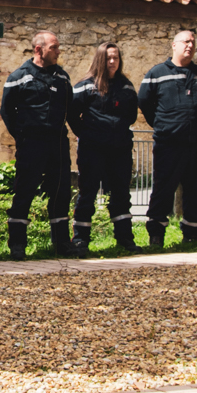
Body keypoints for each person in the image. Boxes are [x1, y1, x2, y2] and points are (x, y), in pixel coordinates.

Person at [1, 31, 76, 259]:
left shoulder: (62, 78)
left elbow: (70, 110)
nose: (58, 51)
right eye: (54, 47)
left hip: (57, 145)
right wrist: (22, 137)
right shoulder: (19, 76)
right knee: (24, 193)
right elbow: (6, 112)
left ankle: (62, 243)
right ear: (38, 49)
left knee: (61, 193)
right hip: (31, 145)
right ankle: (17, 245)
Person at [139, 28, 197, 249]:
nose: (189, 45)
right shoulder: (157, 73)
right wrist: (164, 124)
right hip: (168, 144)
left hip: (196, 144)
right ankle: (156, 235)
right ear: (174, 45)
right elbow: (144, 102)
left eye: (193, 42)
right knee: (163, 189)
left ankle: (192, 232)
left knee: (196, 189)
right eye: (185, 41)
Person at [68, 42, 138, 252]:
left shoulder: (126, 86)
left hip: (120, 150)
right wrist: (88, 134)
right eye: (108, 58)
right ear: (100, 59)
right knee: (87, 193)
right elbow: (72, 114)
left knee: (121, 194)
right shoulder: (85, 85)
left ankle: (125, 239)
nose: (112, 62)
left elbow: (132, 115)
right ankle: (80, 240)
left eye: (115, 58)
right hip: (92, 150)